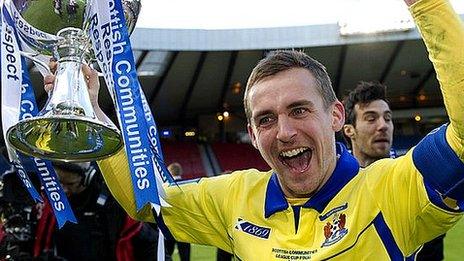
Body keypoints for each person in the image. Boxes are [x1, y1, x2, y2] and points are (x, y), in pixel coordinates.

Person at [45, 0, 464, 259]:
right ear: (251, 131)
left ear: (336, 116)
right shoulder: (235, 197)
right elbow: (147, 203)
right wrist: (92, 112)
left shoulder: (390, 190)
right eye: (266, 119)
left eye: (299, 110)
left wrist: (426, 5)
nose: (283, 132)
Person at [343, 81, 446, 260]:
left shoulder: (415, 185)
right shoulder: (335, 187)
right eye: (371, 118)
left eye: (388, 118)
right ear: (349, 130)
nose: (383, 125)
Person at [33, 162, 158, 260]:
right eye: (59, 183)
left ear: (87, 177)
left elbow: (149, 244)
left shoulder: (114, 203)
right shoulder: (52, 203)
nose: (64, 190)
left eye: (70, 184)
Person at [164, 163, 191, 261]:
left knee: (167, 255)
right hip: (184, 226)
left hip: (169, 226)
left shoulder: (165, 187)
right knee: (185, 256)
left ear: (169, 172)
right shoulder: (188, 185)